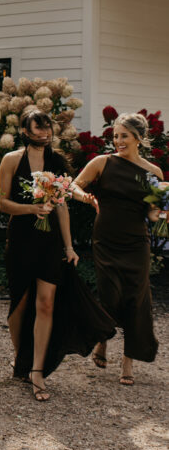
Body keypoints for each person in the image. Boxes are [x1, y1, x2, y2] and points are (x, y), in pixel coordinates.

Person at [0, 109, 114, 401]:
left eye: (47, 129)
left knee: (46, 303)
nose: (44, 134)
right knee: (20, 305)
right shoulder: (11, 160)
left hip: (50, 242)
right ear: (25, 131)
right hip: (22, 238)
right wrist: (31, 209)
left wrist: (70, 246)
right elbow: (2, 203)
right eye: (37, 129)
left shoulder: (57, 161)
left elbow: (62, 204)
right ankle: (21, 358)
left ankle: (36, 370)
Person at [71, 112, 162, 385]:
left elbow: (153, 216)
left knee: (137, 300)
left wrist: (159, 208)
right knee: (109, 295)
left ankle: (128, 361)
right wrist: (84, 196)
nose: (118, 141)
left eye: (124, 136)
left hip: (136, 243)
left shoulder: (153, 173)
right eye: (115, 136)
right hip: (106, 240)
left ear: (138, 138)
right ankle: (103, 338)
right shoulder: (102, 162)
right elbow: (73, 185)